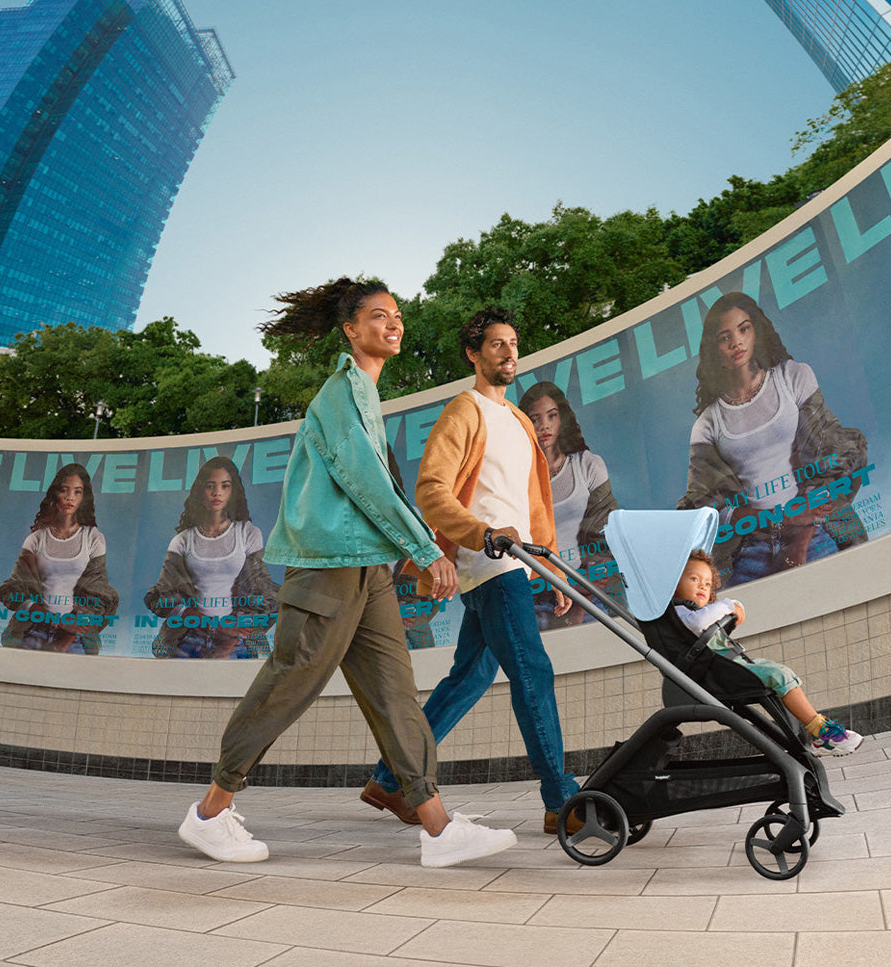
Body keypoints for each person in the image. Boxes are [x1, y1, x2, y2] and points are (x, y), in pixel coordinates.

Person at [177, 278, 516, 869]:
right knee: (290, 683)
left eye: (398, 316)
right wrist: (422, 544)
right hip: (328, 569)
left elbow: (378, 489)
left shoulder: (367, 396)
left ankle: (437, 828)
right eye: (379, 316)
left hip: (369, 571)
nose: (394, 324)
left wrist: (410, 548)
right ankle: (210, 813)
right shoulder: (340, 393)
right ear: (351, 330)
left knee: (394, 692)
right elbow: (364, 479)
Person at [361, 307, 581, 836]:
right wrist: (482, 535)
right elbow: (432, 490)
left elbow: (534, 505)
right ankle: (561, 799)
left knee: (471, 675)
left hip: (519, 566)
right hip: (491, 562)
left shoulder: (521, 421)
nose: (508, 353)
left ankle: (392, 777)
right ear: (474, 354)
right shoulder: (464, 412)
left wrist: (553, 568)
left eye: (513, 343)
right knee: (532, 672)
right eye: (496, 345)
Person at [677, 292, 868, 587]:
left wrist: (799, 540)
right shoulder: (707, 423)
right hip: (750, 551)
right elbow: (705, 509)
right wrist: (775, 520)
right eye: (725, 337)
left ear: (757, 331)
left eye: (744, 329)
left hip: (816, 533)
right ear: (714, 349)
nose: (736, 343)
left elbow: (833, 457)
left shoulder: (793, 377)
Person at [673, 549, 864, 756]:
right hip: (719, 675)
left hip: (730, 666)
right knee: (778, 675)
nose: (703, 585)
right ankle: (820, 732)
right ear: (674, 585)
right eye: (694, 578)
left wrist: (733, 609)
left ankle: (814, 732)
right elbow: (699, 623)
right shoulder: (679, 612)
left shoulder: (700, 612)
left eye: (708, 583)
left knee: (781, 673)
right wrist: (728, 605)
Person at [145, 456, 279, 659]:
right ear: (200, 491)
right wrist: (208, 624)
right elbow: (159, 596)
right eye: (210, 486)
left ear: (233, 491)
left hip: (237, 638)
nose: (217, 493)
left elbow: (263, 593)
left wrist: (229, 640)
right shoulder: (183, 540)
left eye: (225, 486)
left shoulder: (247, 533)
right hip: (188, 637)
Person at [518, 380, 621, 628]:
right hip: (540, 593)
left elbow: (608, 530)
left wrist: (584, 585)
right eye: (535, 419)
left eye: (551, 416)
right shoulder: (519, 479)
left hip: (593, 585)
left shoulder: (587, 465)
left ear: (561, 418)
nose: (544, 426)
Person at [0, 463, 118, 654]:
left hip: (76, 633)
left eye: (77, 492)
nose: (70, 497)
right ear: (55, 494)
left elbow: (97, 594)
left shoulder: (93, 538)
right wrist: (52, 620)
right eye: (64, 490)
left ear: (83, 497)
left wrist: (65, 640)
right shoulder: (36, 539)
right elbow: (11, 589)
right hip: (34, 627)